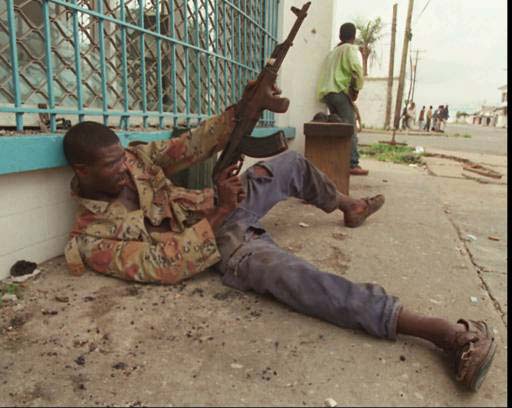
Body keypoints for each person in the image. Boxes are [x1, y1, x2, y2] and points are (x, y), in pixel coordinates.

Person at [62, 82, 496, 393]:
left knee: (289, 164)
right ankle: (446, 333)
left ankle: (348, 205)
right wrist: (221, 211)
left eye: (122, 160)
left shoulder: (135, 159)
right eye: (112, 165)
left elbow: (194, 144)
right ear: (83, 170)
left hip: (218, 204)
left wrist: (246, 107)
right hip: (218, 245)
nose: (124, 169)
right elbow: (166, 266)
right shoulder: (91, 238)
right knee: (295, 277)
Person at [316, 22, 368, 176]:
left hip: (327, 94)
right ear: (353, 37)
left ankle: (336, 160)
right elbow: (357, 70)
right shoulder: (349, 49)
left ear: (340, 36)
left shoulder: (332, 53)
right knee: (349, 128)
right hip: (339, 92)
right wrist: (356, 88)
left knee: (337, 129)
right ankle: (352, 163)